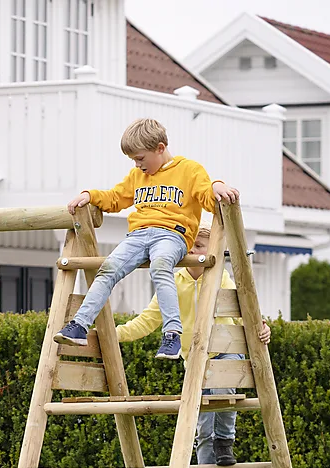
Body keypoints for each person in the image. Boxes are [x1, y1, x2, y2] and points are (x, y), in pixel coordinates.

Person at [115, 226, 272, 468]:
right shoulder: (173, 281)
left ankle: (226, 439)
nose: (189, 250)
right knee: (201, 430)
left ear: (209, 251)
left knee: (224, 389)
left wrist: (263, 328)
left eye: (197, 245)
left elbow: (247, 316)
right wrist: (112, 334)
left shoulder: (222, 279)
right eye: (186, 245)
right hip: (196, 362)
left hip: (226, 354)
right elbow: (147, 321)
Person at [55, 118, 240, 360]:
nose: (137, 164)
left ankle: (171, 333)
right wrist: (90, 195)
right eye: (133, 159)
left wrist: (216, 185)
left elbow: (206, 196)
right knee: (107, 269)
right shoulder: (136, 176)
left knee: (161, 265)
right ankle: (79, 324)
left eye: (140, 158)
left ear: (160, 148)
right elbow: (115, 198)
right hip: (138, 235)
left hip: (172, 234)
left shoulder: (189, 170)